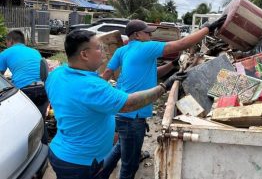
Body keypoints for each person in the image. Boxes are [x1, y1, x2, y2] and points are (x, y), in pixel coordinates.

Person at [45, 30, 186, 179]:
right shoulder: (92, 86)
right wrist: (164, 87)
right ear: (84, 55)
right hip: (81, 164)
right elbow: (129, 104)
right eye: (98, 47)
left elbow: (78, 104)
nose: (103, 51)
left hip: (60, 152)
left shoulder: (57, 73)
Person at [101, 16, 226, 179]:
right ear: (137, 35)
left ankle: (99, 175)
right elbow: (182, 44)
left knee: (119, 148)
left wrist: (173, 65)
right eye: (148, 33)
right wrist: (207, 29)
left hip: (120, 110)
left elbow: (109, 73)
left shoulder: (122, 50)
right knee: (129, 165)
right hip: (133, 116)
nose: (151, 36)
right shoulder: (145, 48)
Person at [0, 30, 49, 143]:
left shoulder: (6, 53)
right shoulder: (35, 51)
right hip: (43, 89)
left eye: (6, 42)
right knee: (40, 122)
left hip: (25, 91)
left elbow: (0, 77)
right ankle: (44, 150)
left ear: (10, 41)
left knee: (21, 126)